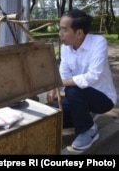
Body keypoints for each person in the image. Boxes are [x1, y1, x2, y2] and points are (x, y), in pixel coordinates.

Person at [47, 8, 117, 150]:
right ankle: (86, 116)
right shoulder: (66, 47)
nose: (60, 34)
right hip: (78, 97)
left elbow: (92, 76)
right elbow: (64, 76)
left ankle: (88, 131)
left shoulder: (98, 42)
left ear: (79, 33)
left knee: (73, 88)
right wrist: (54, 89)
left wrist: (57, 84)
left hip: (102, 98)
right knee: (53, 118)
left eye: (64, 30)